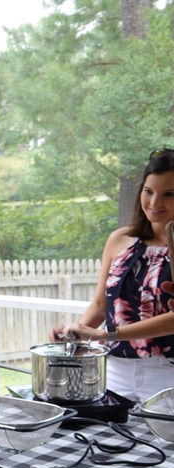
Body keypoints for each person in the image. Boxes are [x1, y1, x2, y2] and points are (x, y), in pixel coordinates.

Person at [53, 149, 174, 402]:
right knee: (103, 439)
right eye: (148, 191)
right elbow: (100, 304)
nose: (154, 203)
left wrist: (106, 334)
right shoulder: (120, 240)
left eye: (169, 195)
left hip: (167, 373)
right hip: (114, 370)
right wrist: (77, 334)